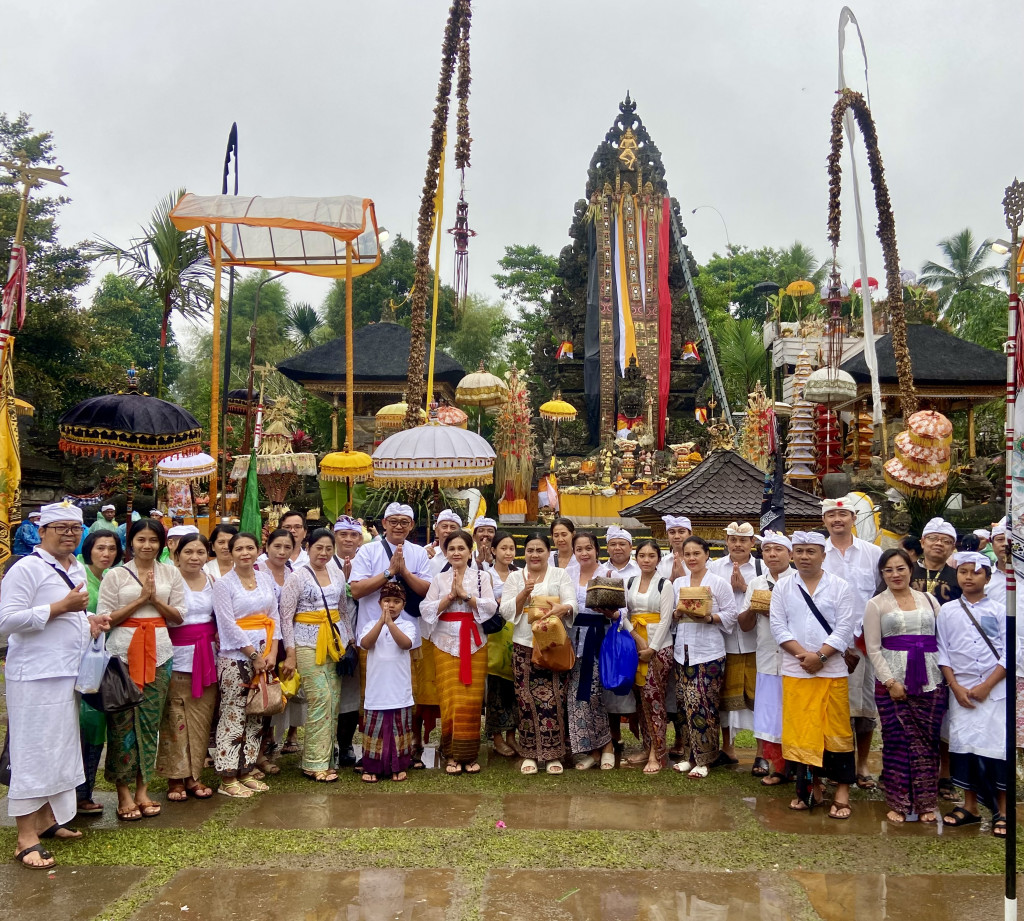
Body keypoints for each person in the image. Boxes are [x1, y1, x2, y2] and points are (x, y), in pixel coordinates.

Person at [0, 502, 110, 869]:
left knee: (60, 749)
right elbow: (6, 622)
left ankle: (49, 820)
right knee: (32, 752)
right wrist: (60, 608)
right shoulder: (26, 568)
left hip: (68, 674)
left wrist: (91, 620)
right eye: (60, 527)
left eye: (74, 528)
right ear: (42, 530)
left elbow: (72, 616)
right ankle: (24, 837)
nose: (68, 534)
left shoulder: (75, 566)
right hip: (34, 677)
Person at [97, 518, 185, 821]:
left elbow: (178, 617)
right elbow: (105, 618)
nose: (147, 546)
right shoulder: (115, 575)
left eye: (153, 540)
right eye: (140, 540)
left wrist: (155, 600)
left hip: (160, 653)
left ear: (161, 544)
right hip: (121, 654)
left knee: (150, 723)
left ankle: (142, 790)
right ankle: (123, 793)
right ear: (130, 542)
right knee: (121, 724)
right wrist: (140, 600)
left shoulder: (171, 573)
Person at [770, 530, 856, 819]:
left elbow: (845, 627)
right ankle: (811, 788)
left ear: (823, 554)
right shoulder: (782, 587)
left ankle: (842, 790)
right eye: (800, 551)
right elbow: (778, 627)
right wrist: (803, 656)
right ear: (792, 554)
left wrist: (820, 656)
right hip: (796, 670)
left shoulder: (840, 586)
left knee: (836, 732)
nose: (805, 556)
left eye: (811, 551)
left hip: (831, 671)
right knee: (802, 732)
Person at [863, 548, 946, 825]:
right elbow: (873, 649)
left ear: (911, 570)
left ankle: (925, 803)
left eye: (900, 568)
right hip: (892, 680)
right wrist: (890, 682)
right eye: (888, 570)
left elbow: (943, 639)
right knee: (897, 741)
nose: (895, 574)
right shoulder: (876, 604)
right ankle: (898, 802)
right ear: (882, 574)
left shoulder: (929, 599)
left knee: (927, 742)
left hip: (930, 679)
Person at [350, 502, 433, 767]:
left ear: (411, 526)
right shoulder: (368, 551)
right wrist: (388, 573)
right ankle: (372, 754)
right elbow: (356, 590)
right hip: (372, 634)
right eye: (393, 521)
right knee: (370, 695)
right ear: (384, 523)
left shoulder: (418, 553)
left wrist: (404, 572)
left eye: (404, 522)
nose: (399, 526)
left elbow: (426, 591)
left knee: (410, 694)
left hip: (408, 634)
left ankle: (411, 750)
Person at [937, 551, 1008, 836]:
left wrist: (987, 685)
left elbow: (1009, 653)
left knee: (995, 749)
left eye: (975, 572)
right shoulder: (948, 611)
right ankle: (969, 806)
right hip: (961, 690)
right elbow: (942, 651)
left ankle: (1002, 810)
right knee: (963, 748)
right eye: (963, 571)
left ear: (987, 578)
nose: (968, 577)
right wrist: (955, 687)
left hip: (993, 689)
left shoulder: (1001, 611)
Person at [500, 532, 578, 775]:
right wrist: (524, 593)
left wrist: (561, 608)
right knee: (526, 699)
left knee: (554, 698)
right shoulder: (515, 577)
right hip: (523, 644)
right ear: (525, 553)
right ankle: (530, 754)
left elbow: (572, 602)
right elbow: (505, 611)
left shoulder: (559, 574)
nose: (535, 555)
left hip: (552, 643)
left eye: (540, 550)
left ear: (548, 552)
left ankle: (554, 754)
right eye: (531, 550)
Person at [211, 532, 281, 798]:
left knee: (256, 713)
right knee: (233, 714)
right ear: (230, 552)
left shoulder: (265, 578)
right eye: (238, 548)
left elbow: (273, 616)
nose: (245, 553)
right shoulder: (224, 584)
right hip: (236, 657)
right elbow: (227, 624)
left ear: (257, 549)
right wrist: (253, 655)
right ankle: (228, 776)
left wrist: (272, 652)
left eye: (250, 548)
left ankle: (246, 769)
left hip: (265, 655)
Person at [421, 529, 497, 774]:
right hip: (444, 643)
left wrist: (466, 596)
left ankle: (469, 754)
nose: (456, 553)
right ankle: (451, 754)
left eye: (461, 548)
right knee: (449, 698)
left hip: (474, 642)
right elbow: (426, 609)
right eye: (451, 548)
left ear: (469, 551)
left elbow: (490, 607)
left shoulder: (481, 578)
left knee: (471, 701)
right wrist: (449, 597)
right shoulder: (438, 580)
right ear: (445, 552)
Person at [820, 495, 882, 792]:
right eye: (831, 516)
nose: (837, 520)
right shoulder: (819, 554)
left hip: (863, 640)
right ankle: (835, 764)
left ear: (853, 519)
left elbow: (880, 598)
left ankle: (862, 764)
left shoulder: (872, 553)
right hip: (826, 643)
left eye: (842, 515)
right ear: (824, 521)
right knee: (833, 708)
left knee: (864, 708)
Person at [280, 528, 351, 782]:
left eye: (328, 549)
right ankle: (313, 763)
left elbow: (342, 609)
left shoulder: (336, 573)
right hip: (306, 643)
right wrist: (290, 652)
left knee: (333, 699)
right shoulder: (297, 577)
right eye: (318, 547)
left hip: (334, 642)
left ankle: (326, 758)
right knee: (319, 697)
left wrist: (349, 640)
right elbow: (286, 617)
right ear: (308, 547)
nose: (323, 553)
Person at [157, 533, 217, 801]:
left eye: (200, 552)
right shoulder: (168, 579)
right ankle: (175, 778)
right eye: (189, 552)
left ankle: (194, 777)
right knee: (174, 720)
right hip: (176, 654)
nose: (195, 557)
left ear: (208, 555)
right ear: (177, 554)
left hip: (207, 657)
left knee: (200, 720)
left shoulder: (213, 581)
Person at [671, 536, 738, 778]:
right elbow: (670, 614)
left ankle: (706, 758)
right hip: (683, 652)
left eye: (696, 553)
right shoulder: (678, 582)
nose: (691, 558)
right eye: (687, 554)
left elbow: (732, 613)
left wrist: (709, 617)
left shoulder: (718, 583)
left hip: (709, 653)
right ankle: (689, 755)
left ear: (707, 554)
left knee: (704, 706)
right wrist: (677, 613)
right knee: (684, 706)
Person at [738, 531, 794, 786]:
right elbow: (745, 625)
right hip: (767, 657)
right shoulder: (756, 583)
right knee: (771, 714)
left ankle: (800, 765)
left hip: (796, 659)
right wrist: (754, 606)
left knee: (794, 713)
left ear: (790, 554)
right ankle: (776, 767)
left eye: (778, 549)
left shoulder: (799, 581)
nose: (772, 554)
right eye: (768, 550)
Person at [75, 530, 122, 815]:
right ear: (89, 549)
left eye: (112, 549)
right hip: (75, 658)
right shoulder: (78, 575)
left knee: (95, 724)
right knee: (74, 725)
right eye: (100, 548)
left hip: (102, 660)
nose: (106, 554)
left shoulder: (116, 577)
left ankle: (84, 793)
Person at [707, 521, 760, 764]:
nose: (737, 544)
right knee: (725, 698)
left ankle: (762, 752)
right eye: (733, 539)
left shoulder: (762, 567)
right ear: (726, 541)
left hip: (756, 642)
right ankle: (728, 749)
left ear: (752, 543)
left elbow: (773, 595)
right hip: (724, 641)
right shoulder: (715, 568)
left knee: (759, 697)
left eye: (743, 540)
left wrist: (745, 588)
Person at [624, 538, 676, 774]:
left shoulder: (664, 584)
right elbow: (623, 613)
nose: (646, 560)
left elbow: (666, 620)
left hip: (660, 647)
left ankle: (658, 752)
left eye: (651, 556)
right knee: (640, 699)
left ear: (658, 559)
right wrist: (636, 637)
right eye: (642, 555)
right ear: (636, 558)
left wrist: (652, 648)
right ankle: (647, 747)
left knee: (654, 699)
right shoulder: (630, 582)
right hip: (635, 644)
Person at [565, 531, 615, 771]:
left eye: (588, 548)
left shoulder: (607, 574)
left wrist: (611, 613)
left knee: (594, 694)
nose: (584, 553)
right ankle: (592, 750)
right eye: (579, 549)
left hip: (598, 637)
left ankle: (607, 746)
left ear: (597, 549)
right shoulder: (568, 574)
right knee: (579, 697)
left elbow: (621, 612)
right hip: (573, 639)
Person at [360, 581, 417, 782]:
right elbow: (366, 644)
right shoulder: (369, 625)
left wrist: (390, 624)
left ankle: (398, 766)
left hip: (399, 690)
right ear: (379, 603)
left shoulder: (407, 626)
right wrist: (381, 623)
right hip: (376, 691)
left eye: (396, 601)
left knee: (399, 730)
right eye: (386, 601)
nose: (391, 605)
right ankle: (371, 767)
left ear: (403, 605)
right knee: (374, 730)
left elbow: (405, 644)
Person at [258, 528, 304, 760]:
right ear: (267, 547)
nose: (282, 551)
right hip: (262, 640)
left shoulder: (293, 572)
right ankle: (260, 748)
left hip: (287, 638)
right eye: (277, 546)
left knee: (281, 692)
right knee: (261, 693)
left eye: (288, 547)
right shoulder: (257, 570)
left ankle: (272, 743)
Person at [329, 516, 364, 767]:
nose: (348, 540)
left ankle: (346, 743)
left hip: (356, 634)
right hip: (328, 635)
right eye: (343, 535)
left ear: (360, 539)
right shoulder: (322, 561)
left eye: (353, 535)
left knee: (351, 693)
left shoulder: (365, 560)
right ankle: (325, 743)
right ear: (335, 537)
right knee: (327, 692)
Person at [485, 531, 519, 757]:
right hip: (496, 635)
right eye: (503, 548)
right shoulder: (486, 576)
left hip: (517, 633)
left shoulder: (520, 574)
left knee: (515, 688)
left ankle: (511, 736)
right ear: (493, 550)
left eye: (512, 548)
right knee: (496, 689)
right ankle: (497, 737)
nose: (508, 552)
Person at [910, 518, 961, 605]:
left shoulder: (958, 577)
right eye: (933, 538)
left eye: (946, 541)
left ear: (953, 548)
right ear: (922, 542)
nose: (939, 543)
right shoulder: (907, 570)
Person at [426, 509, 463, 574]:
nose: (448, 531)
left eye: (453, 527)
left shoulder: (465, 554)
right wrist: (422, 557)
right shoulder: (426, 552)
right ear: (436, 531)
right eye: (444, 527)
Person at [656, 515, 691, 581]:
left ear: (690, 534)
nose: (676, 536)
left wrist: (683, 578)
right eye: (672, 532)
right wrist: (672, 579)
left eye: (681, 532)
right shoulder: (662, 562)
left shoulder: (701, 561)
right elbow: (658, 589)